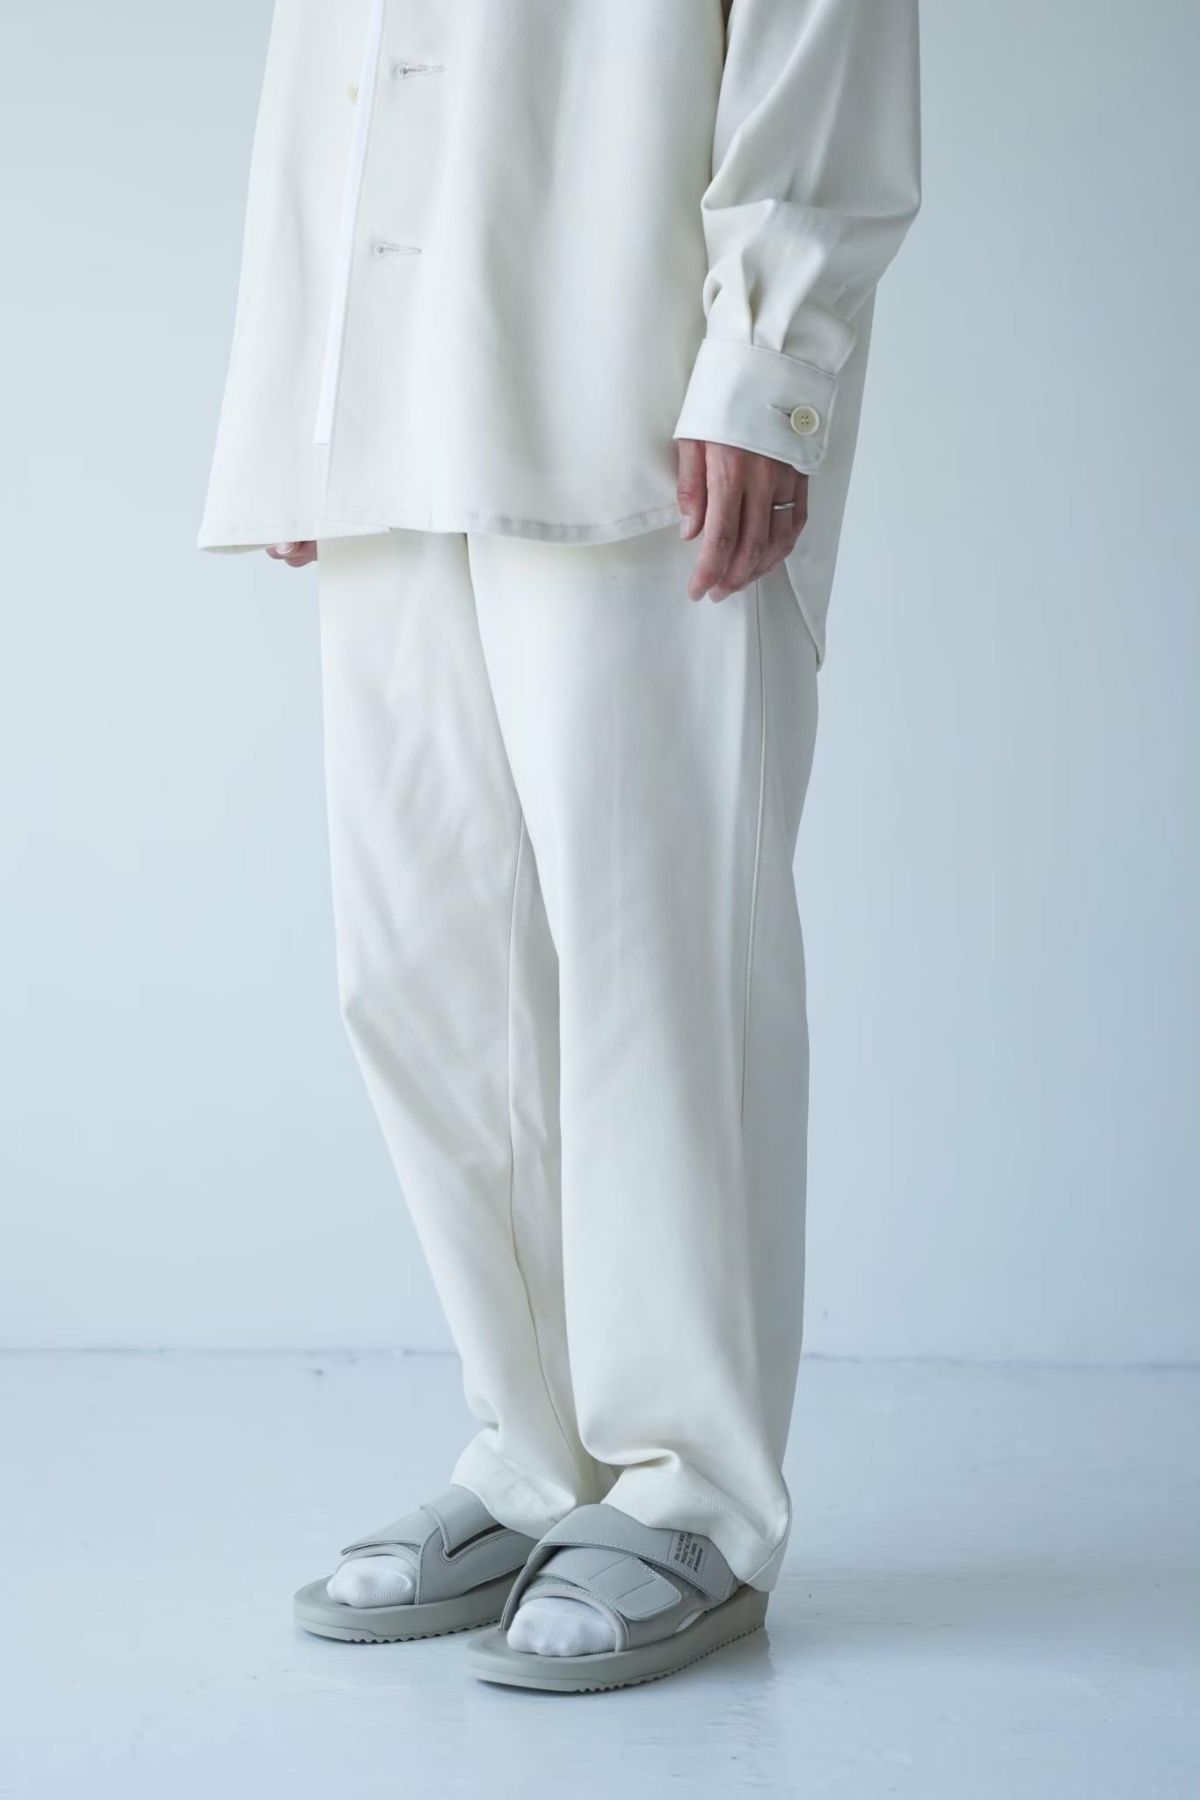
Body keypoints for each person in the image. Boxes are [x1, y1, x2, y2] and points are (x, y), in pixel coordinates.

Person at [199, 0, 921, 1694]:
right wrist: (310, 374)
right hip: (394, 381)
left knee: (653, 958)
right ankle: (535, 1458)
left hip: (635, 366)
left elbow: (823, 30)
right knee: (423, 965)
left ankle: (694, 1491)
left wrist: (770, 358)